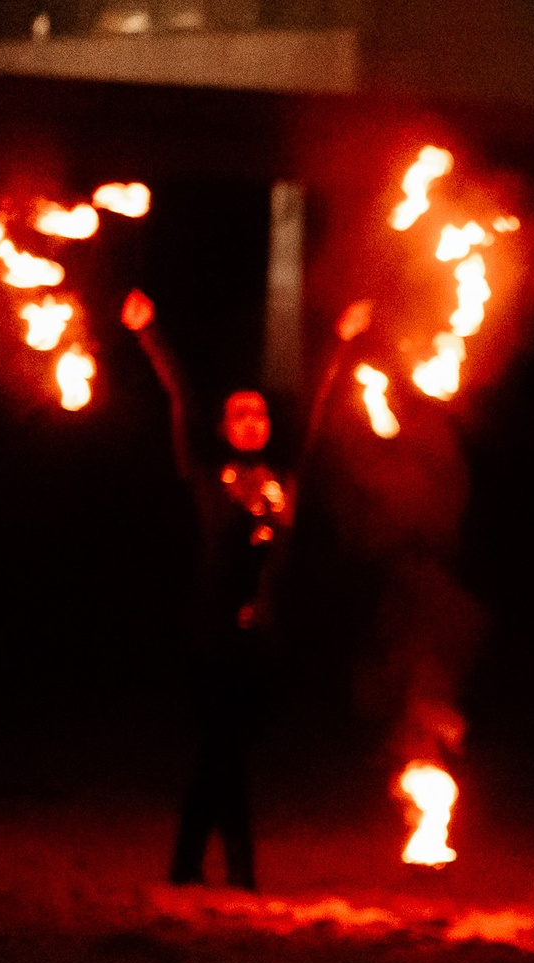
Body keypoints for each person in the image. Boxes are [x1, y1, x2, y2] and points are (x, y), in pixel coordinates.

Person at [125, 291, 367, 890]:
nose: (251, 420)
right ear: (223, 427)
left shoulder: (287, 478)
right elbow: (179, 394)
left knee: (227, 754)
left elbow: (318, 402)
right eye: (238, 413)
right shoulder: (206, 477)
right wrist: (148, 332)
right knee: (221, 749)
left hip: (262, 638)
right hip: (210, 634)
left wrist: (342, 339)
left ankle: (198, 868)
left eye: (258, 412)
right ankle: (229, 870)